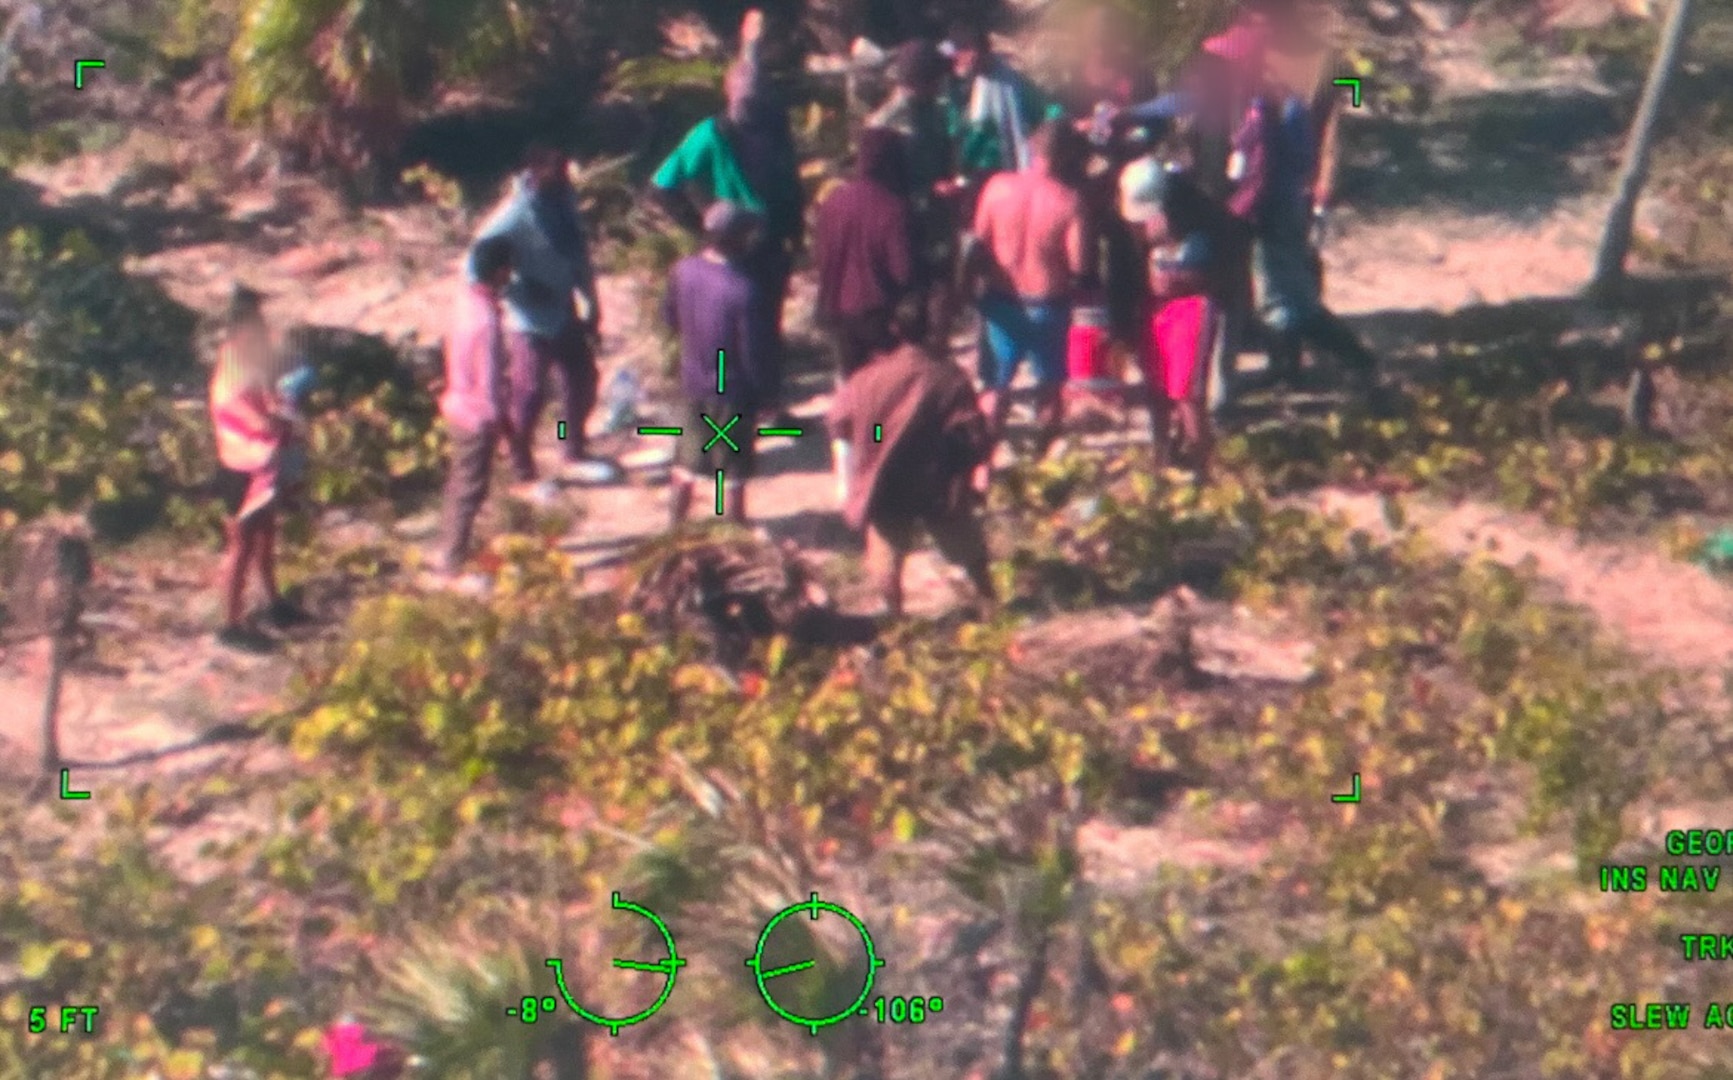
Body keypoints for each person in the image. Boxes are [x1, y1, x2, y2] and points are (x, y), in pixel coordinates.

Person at [652, 9, 805, 419]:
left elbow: (788, 182)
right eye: (744, 97)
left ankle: (769, 406)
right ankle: (727, 408)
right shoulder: (710, 133)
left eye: (757, 96)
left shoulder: (774, 124)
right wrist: (699, 221)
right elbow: (663, 185)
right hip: (732, 244)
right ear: (729, 94)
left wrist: (795, 233)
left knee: (767, 325)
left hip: (770, 243)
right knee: (731, 328)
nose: (751, 103)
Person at [1225, 38, 1381, 398]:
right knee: (1285, 279)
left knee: (1290, 280)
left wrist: (1329, 178)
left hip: (1296, 186)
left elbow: (1347, 114)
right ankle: (1288, 360)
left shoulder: (1328, 60)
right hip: (1289, 183)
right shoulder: (1300, 61)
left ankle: (1347, 358)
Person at [828, 300, 995, 619]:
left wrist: (855, 470)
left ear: (896, 329)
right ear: (935, 330)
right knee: (968, 551)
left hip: (885, 480)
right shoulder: (949, 377)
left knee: (886, 560)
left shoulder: (869, 377)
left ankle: (893, 619)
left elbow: (839, 423)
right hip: (936, 481)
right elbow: (974, 434)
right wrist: (970, 471)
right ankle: (989, 603)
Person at [466, 143, 603, 493]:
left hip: (565, 308)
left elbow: (579, 255)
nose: (562, 181)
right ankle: (521, 463)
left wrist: (591, 301)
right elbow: (476, 263)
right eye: (554, 176)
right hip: (529, 320)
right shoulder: (515, 216)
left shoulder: (563, 202)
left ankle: (571, 445)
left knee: (582, 382)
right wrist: (518, 288)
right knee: (529, 394)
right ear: (535, 175)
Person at [968, 121, 1090, 457]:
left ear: (1032, 149)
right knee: (1049, 387)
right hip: (1047, 303)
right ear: (1065, 156)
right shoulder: (1069, 201)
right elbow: (1081, 265)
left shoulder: (996, 187)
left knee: (995, 387)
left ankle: (984, 465)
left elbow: (978, 245)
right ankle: (1043, 463)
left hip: (1001, 300)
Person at [208, 286, 308, 653]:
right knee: (241, 544)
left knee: (266, 533)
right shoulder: (233, 363)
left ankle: (271, 602)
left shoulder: (248, 360)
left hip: (261, 463)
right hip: (240, 466)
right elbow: (237, 408)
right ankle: (230, 623)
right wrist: (274, 418)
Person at [662, 202, 774, 525]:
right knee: (733, 469)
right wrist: (764, 394)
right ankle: (733, 528)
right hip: (733, 390)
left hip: (693, 381)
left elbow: (669, 317)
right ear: (737, 239)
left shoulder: (683, 270)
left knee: (685, 461)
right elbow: (752, 351)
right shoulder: (745, 290)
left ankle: (674, 526)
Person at [1121, 159, 1230, 474]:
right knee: (1155, 389)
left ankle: (1201, 468)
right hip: (1152, 308)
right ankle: (1161, 458)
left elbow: (1223, 274)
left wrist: (1182, 281)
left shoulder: (1202, 216)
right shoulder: (1131, 218)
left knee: (1186, 393)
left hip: (1191, 307)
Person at [869, 39, 963, 348]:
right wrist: (928, 193)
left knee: (938, 295)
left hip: (936, 222)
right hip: (906, 225)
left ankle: (934, 353)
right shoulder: (887, 124)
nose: (942, 85)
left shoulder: (933, 113)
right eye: (937, 79)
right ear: (923, 81)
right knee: (911, 299)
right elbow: (880, 189)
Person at [434, 236, 514, 580]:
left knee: (460, 484)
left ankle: (453, 551)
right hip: (475, 413)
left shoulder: (465, 303)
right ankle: (452, 561)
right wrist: (502, 426)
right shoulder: (487, 322)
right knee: (469, 489)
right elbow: (491, 381)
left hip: (456, 403)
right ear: (499, 272)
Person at [814, 126, 917, 381]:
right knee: (882, 384)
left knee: (850, 381)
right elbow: (902, 270)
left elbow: (820, 255)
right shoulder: (893, 208)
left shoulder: (833, 202)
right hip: (877, 312)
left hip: (835, 307)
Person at [945, 21, 1053, 188]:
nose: (967, 60)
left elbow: (1044, 110)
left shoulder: (1011, 83)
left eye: (974, 54)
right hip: (968, 172)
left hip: (1000, 170)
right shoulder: (953, 85)